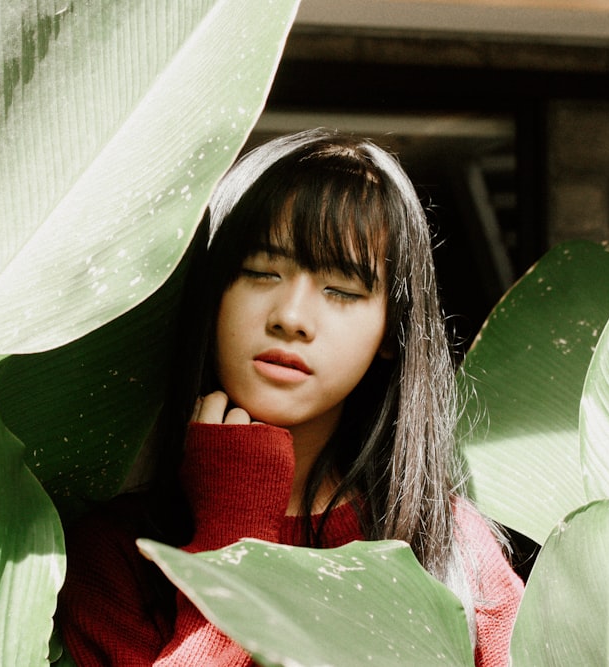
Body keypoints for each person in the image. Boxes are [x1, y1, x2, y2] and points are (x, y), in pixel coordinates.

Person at [58, 128, 524, 666]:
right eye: (260, 272)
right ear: (210, 296)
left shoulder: (451, 549)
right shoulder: (116, 556)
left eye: (342, 290)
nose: (291, 318)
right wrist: (232, 542)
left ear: (391, 334)